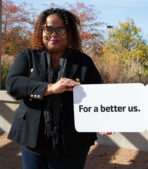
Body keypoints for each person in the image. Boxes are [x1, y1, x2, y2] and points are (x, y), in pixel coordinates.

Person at [6, 8, 102, 169]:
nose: (53, 34)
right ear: (40, 31)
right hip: (33, 138)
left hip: (73, 141)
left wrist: (106, 122)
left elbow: (99, 95)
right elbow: (13, 84)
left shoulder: (83, 61)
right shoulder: (28, 56)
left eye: (61, 29)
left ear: (70, 33)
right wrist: (49, 88)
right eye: (48, 28)